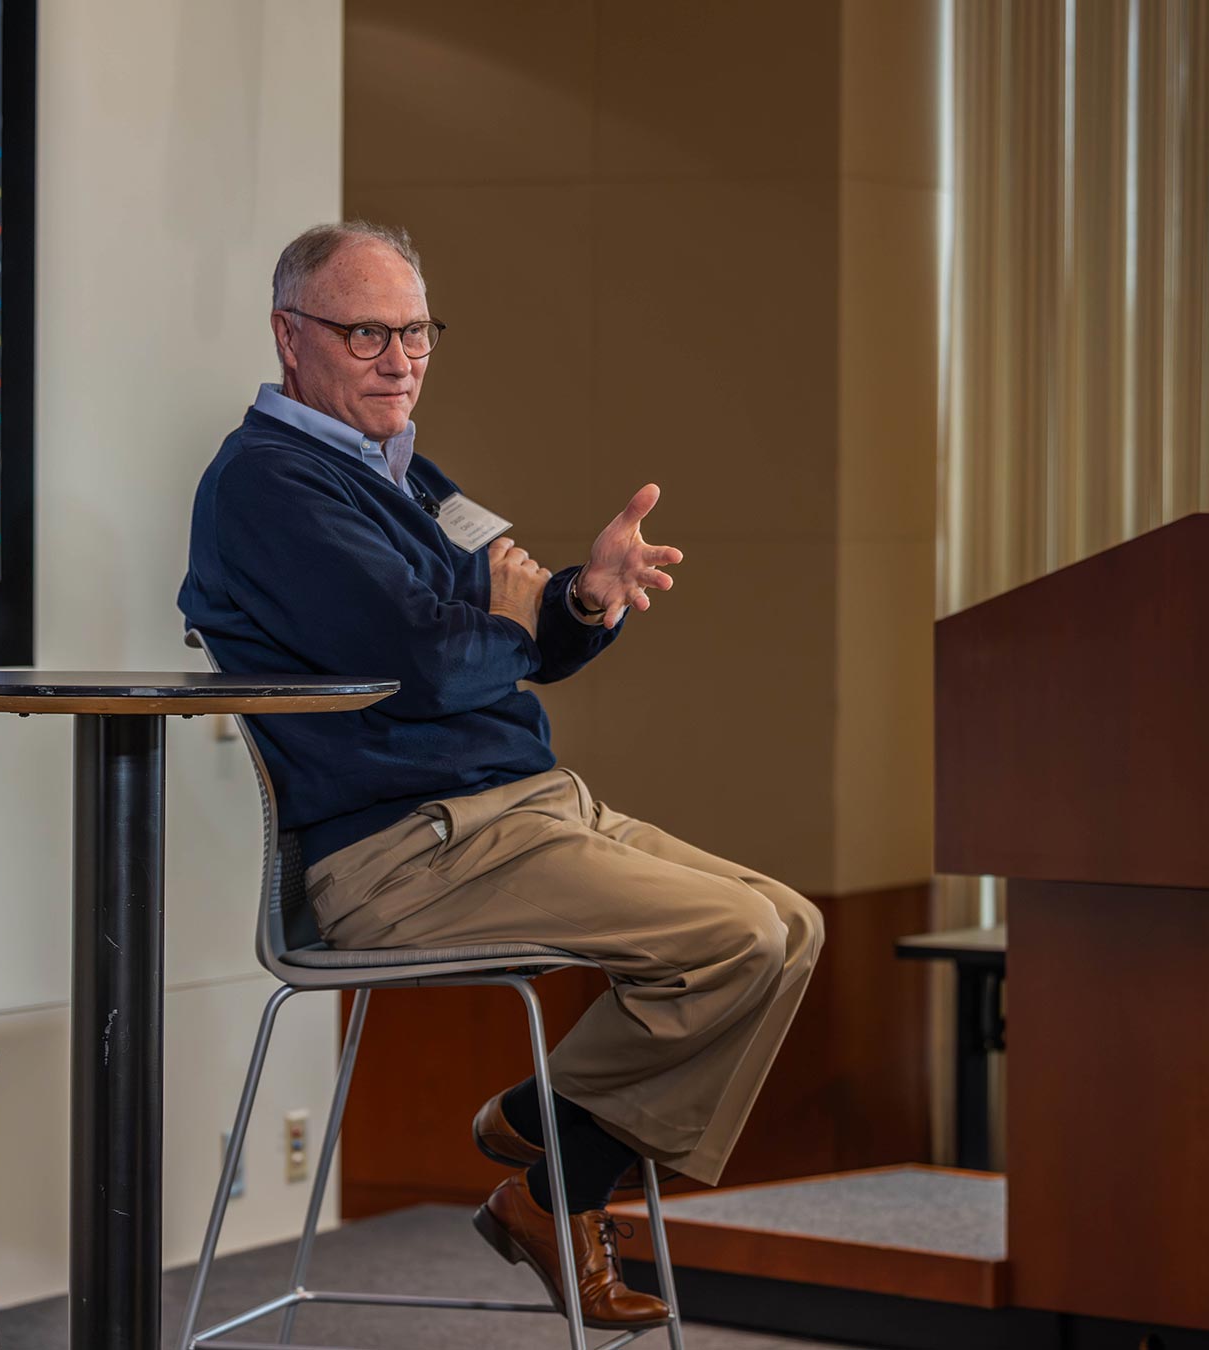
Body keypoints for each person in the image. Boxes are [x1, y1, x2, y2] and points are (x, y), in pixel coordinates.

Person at [180, 221, 824, 1326]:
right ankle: (551, 1175)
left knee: (795, 925)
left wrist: (581, 595)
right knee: (736, 941)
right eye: (368, 332)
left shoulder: (402, 469)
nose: (402, 358)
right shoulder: (271, 486)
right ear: (291, 338)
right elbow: (432, 664)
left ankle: (542, 1148)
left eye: (418, 331)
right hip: (405, 851)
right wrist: (502, 617)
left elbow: (501, 630)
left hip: (518, 810)